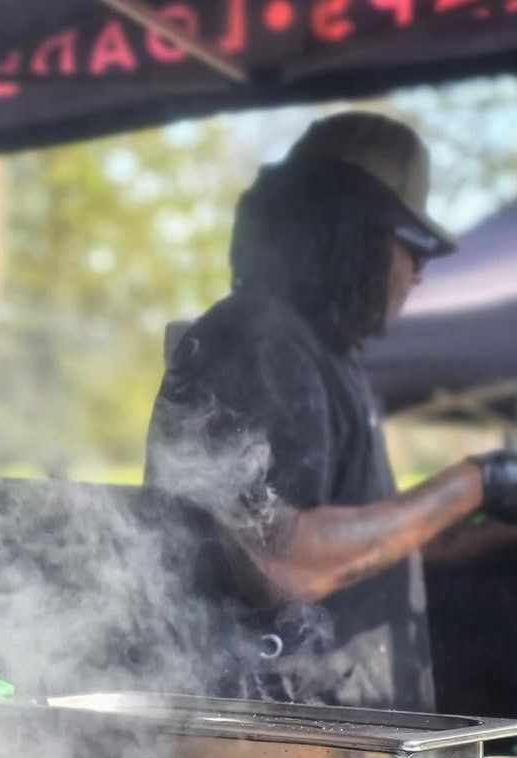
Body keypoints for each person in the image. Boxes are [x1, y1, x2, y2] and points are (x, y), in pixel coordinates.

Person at [145, 111, 517, 712]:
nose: (423, 270)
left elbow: (372, 549)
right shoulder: (256, 340)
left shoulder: (326, 359)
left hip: (339, 753)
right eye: (415, 243)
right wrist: (475, 481)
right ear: (352, 230)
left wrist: (491, 522)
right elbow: (283, 562)